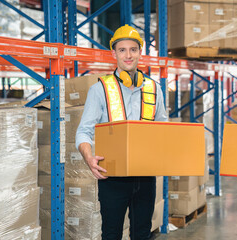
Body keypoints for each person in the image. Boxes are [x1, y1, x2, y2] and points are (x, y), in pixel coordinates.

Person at [76, 24, 168, 240]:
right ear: (114, 53)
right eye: (122, 50)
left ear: (139, 52)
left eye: (133, 49)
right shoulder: (99, 89)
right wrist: (88, 157)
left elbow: (164, 130)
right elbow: (83, 131)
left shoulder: (154, 89)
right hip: (112, 177)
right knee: (111, 234)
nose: (128, 55)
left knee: (142, 234)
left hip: (145, 176)